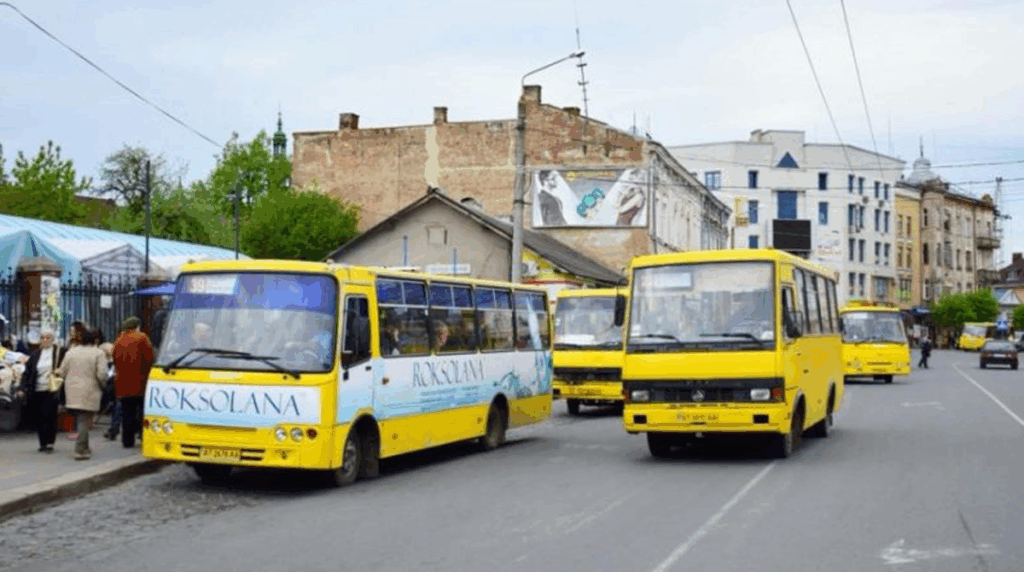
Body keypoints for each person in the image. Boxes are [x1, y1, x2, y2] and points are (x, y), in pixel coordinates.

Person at [55, 328, 108, 460]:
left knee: (81, 419)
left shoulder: (71, 352)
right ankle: (80, 449)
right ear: (94, 340)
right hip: (91, 390)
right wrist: (103, 386)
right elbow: (102, 374)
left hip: (71, 390)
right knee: (84, 420)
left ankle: (85, 446)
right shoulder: (98, 353)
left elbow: (61, 372)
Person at [16, 328, 65, 452]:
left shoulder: (58, 352)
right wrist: (22, 388)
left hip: (51, 388)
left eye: (48, 337)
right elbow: (27, 373)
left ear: (53, 339)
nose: (45, 340)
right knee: (40, 416)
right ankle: (43, 442)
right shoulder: (35, 354)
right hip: (37, 388)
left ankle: (50, 442)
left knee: (50, 415)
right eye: (43, 338)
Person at [113, 317, 154, 448]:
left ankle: (127, 440)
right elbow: (149, 358)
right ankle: (143, 437)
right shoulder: (142, 338)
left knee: (127, 412)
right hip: (140, 381)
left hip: (123, 383)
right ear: (137, 326)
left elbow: (115, 359)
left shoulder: (119, 340)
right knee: (142, 411)